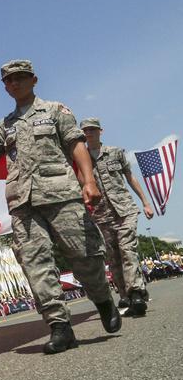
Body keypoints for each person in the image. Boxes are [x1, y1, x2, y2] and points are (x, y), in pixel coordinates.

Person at [0, 60, 121, 354]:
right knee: (34, 264)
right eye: (9, 80)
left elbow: (76, 145)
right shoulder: (5, 125)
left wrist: (89, 181)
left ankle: (103, 299)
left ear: (34, 80)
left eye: (20, 78)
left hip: (60, 194)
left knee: (85, 256)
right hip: (23, 203)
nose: (14, 84)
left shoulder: (55, 111)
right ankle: (59, 326)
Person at [81, 117, 153, 316]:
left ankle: (136, 292)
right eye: (85, 130)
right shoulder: (82, 159)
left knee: (127, 249)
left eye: (92, 130)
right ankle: (125, 294)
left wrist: (145, 202)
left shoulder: (115, 152)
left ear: (100, 131)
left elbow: (130, 177)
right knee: (114, 257)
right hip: (101, 215)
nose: (89, 133)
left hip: (124, 210)